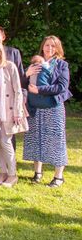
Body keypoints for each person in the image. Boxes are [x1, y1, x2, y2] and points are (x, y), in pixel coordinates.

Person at [23, 36, 72, 187]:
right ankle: (37, 173)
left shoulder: (61, 65)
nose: (49, 48)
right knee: (35, 139)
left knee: (56, 141)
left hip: (53, 108)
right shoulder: (35, 63)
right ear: (42, 47)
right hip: (34, 107)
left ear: (57, 48)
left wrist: (40, 89)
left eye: (53, 46)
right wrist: (26, 74)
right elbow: (22, 84)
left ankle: (58, 177)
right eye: (46, 45)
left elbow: (61, 87)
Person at [0, 43, 27, 187]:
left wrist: (17, 111)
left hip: (8, 110)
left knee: (6, 142)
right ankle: (3, 172)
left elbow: (18, 90)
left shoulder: (9, 66)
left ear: (1, 51)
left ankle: (12, 174)